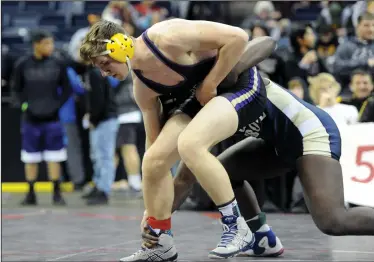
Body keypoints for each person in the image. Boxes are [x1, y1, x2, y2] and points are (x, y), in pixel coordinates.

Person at [80, 18, 276, 261]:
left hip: (240, 86)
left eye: (103, 63)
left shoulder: (167, 36)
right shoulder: (142, 87)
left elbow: (238, 36)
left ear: (120, 45)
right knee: (153, 160)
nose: (103, 71)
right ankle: (160, 243)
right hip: (205, 100)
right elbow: (155, 145)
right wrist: (153, 212)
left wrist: (211, 82)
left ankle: (237, 227)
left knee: (190, 144)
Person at [141, 77, 374, 256]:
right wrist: (156, 219)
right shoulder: (198, 105)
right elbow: (186, 175)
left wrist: (158, 216)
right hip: (276, 141)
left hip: (311, 132)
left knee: (333, 221)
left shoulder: (226, 79)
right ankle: (261, 238)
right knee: (222, 172)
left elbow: (262, 43)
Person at [11, 30, 71, 206]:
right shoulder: (23, 64)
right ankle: (31, 194)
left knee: (55, 157)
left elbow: (67, 89)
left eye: (51, 43)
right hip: (30, 120)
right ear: (36, 44)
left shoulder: (58, 64)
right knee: (30, 158)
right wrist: (24, 106)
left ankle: (56, 193)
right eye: (46, 43)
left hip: (52, 119)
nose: (50, 47)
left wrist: (56, 105)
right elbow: (16, 89)